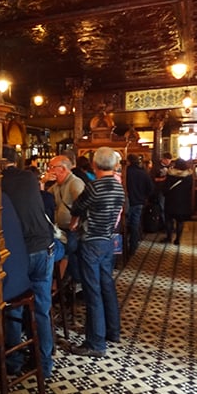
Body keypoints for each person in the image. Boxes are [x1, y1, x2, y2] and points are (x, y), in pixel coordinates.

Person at [1, 146, 55, 378]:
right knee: (41, 308)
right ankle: (44, 364)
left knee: (12, 306)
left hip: (20, 252)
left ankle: (13, 362)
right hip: (45, 247)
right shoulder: (30, 178)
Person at [69, 147, 125, 358]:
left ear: (94, 164)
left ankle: (95, 342)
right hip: (108, 241)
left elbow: (77, 208)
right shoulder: (119, 187)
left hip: (92, 241)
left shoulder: (94, 187)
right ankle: (112, 331)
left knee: (92, 291)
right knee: (106, 286)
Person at [44, 154, 86, 282]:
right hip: (59, 229)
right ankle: (62, 281)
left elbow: (82, 206)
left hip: (72, 230)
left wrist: (75, 223)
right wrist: (43, 182)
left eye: (51, 167)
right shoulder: (57, 185)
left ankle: (71, 282)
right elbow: (42, 198)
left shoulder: (75, 183)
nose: (48, 170)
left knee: (68, 249)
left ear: (62, 169)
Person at [125, 153, 154, 252]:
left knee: (124, 225)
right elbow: (150, 188)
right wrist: (144, 197)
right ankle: (133, 246)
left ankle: (123, 246)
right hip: (139, 202)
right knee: (135, 224)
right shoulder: (143, 173)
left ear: (128, 161)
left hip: (127, 201)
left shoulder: (126, 172)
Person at [162, 158, 193, 245]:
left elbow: (165, 187)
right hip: (183, 201)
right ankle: (177, 240)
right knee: (180, 221)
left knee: (168, 220)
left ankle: (169, 238)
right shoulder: (189, 175)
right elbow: (190, 188)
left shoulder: (170, 174)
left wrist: (165, 193)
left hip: (171, 200)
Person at [152, 152, 173, 226]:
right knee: (163, 207)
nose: (168, 162)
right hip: (160, 190)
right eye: (167, 160)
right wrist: (164, 179)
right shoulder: (156, 167)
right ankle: (165, 225)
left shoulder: (171, 167)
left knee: (170, 208)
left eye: (170, 160)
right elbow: (152, 179)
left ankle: (170, 224)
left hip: (170, 190)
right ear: (163, 159)